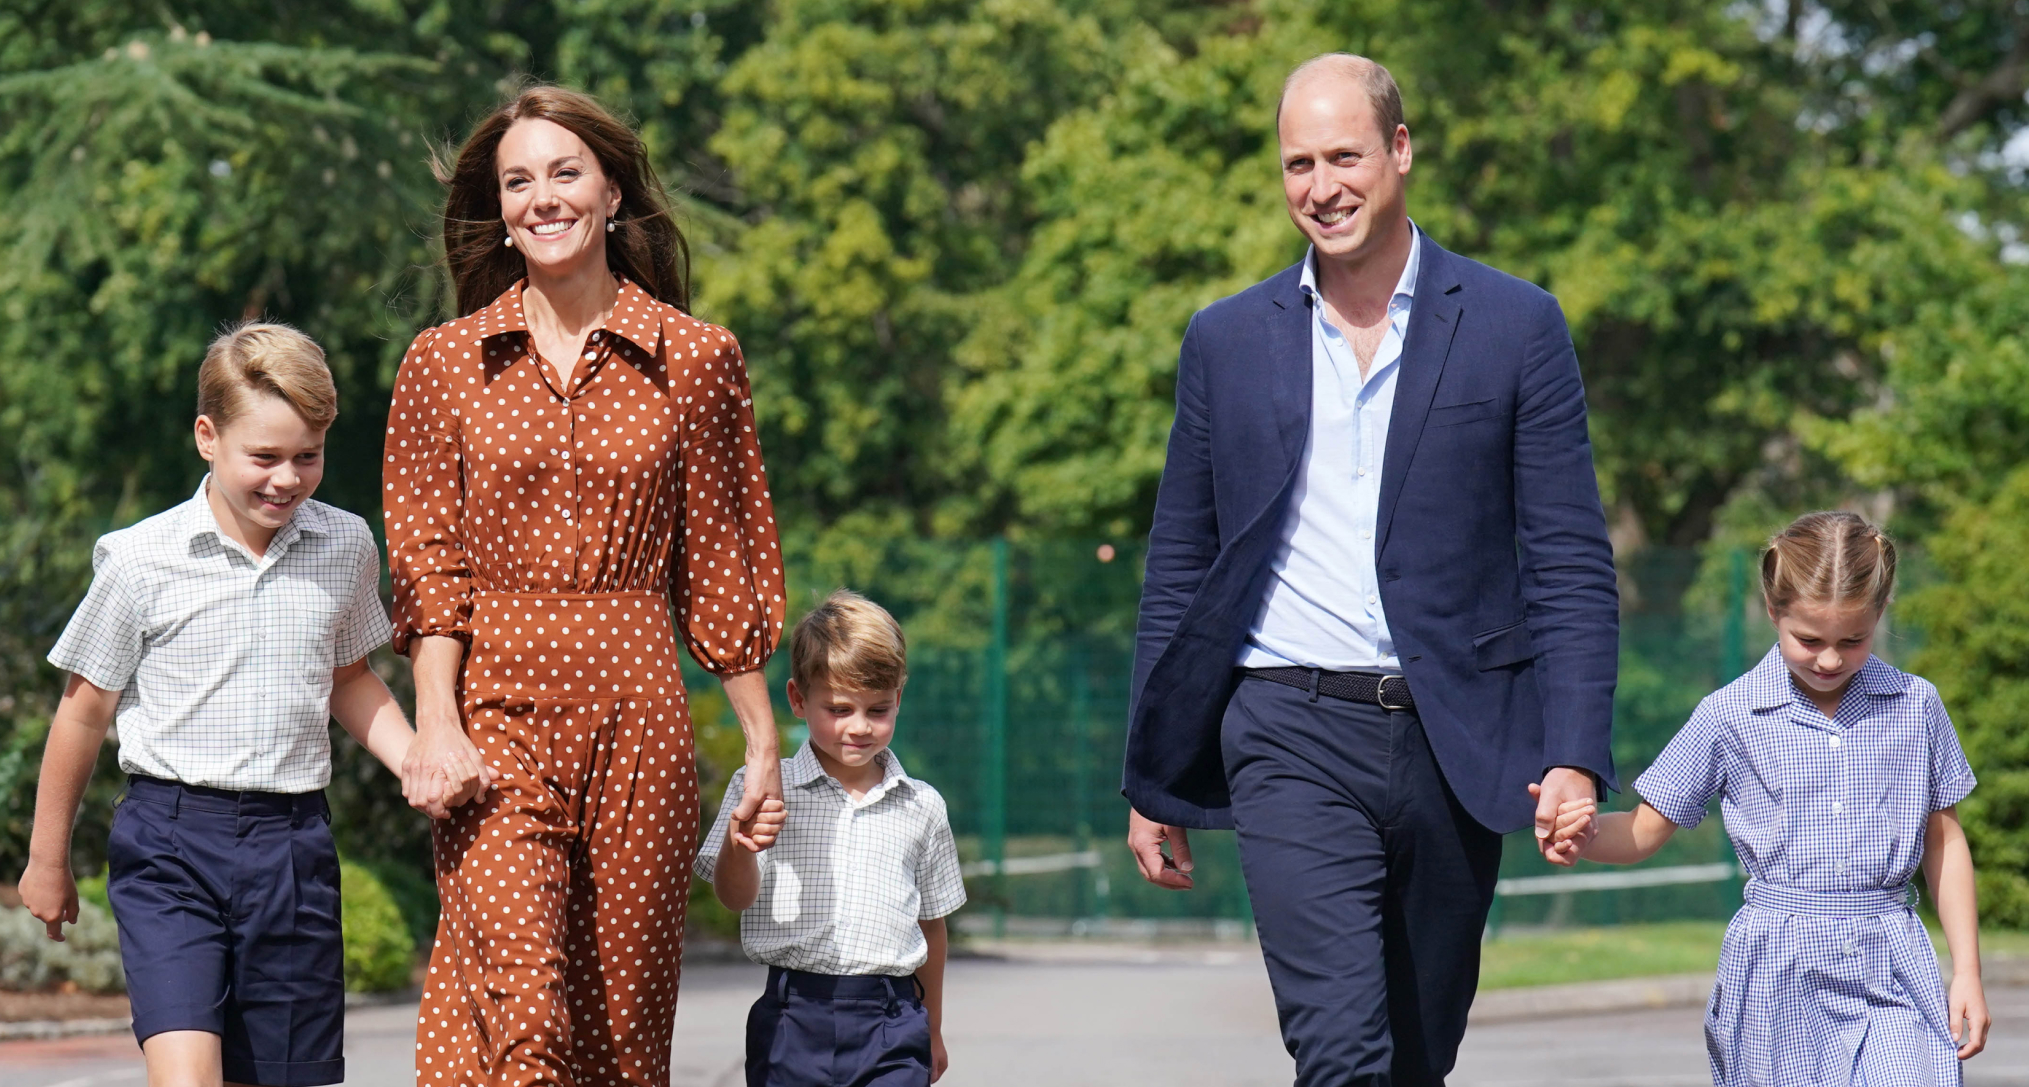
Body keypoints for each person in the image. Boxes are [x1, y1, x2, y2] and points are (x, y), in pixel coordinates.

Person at [1122, 53, 1621, 1085]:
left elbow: (1568, 557)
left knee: (1413, 1054)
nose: (1320, 186)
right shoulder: (1225, 341)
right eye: (1297, 163)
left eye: (1342, 156)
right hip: (1286, 726)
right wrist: (1152, 771)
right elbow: (1180, 563)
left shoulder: (1515, 326)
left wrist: (1573, 750)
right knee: (1340, 1051)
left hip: (1455, 737)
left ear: (1399, 151)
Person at [386, 84, 787, 1087]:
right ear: (501, 210)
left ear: (613, 191)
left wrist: (763, 741)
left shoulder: (697, 360)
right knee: (523, 1011)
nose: (542, 197)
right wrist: (436, 722)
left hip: (640, 725)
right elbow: (432, 573)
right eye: (518, 181)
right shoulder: (443, 365)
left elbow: (723, 563)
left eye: (565, 172)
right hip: (497, 724)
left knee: (619, 1033)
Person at [16, 322, 457, 1087]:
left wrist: (414, 754)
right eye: (264, 456)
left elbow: (348, 676)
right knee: (188, 1075)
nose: (287, 478)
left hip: (292, 847)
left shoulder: (345, 544)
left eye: (307, 456)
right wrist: (47, 858)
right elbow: (84, 712)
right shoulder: (140, 559)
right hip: (170, 846)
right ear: (206, 437)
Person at [1547, 511, 1988, 1085]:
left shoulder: (1916, 705)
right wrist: (1577, 836)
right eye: (1809, 639)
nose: (1829, 659)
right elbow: (1642, 830)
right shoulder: (1728, 716)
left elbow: (1944, 840)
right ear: (1772, 609)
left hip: (1891, 957)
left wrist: (1967, 972)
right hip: (1778, 970)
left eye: (1852, 640)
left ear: (1880, 614)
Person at [696, 589, 966, 1087]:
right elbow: (735, 898)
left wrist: (934, 1029)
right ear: (799, 699)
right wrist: (740, 842)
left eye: (878, 709)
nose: (859, 727)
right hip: (792, 1019)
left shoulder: (921, 805)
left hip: (892, 1018)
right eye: (839, 709)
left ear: (898, 699)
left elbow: (933, 928)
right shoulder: (761, 786)